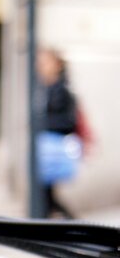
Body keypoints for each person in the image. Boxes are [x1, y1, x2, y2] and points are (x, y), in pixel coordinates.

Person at [35, 48, 79, 218]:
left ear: (57, 65)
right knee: (46, 194)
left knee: (46, 194)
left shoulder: (62, 89)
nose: (41, 67)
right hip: (46, 147)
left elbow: (69, 121)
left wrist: (42, 124)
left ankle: (72, 223)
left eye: (45, 62)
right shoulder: (44, 88)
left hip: (54, 147)